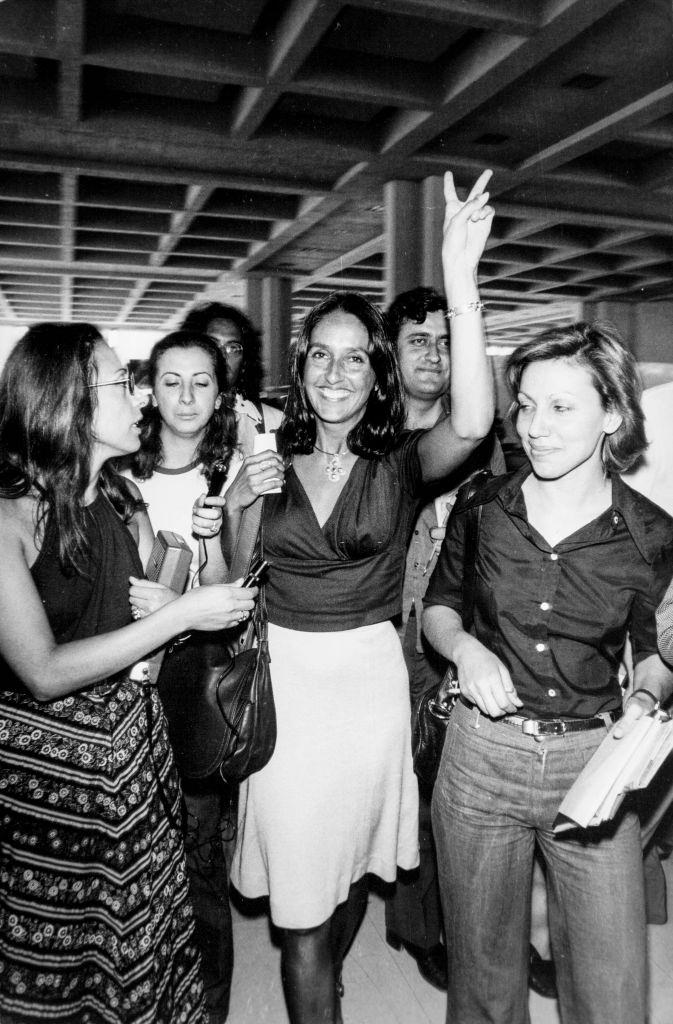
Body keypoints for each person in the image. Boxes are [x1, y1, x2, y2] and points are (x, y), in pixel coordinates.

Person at [213, 169, 496, 1024]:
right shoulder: (263, 455)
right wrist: (238, 500)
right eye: (320, 356)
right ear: (300, 368)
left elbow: (477, 423)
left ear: (377, 376)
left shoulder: (400, 462)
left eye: (354, 359)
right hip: (288, 686)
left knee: (337, 883)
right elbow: (233, 581)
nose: (337, 373)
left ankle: (327, 977)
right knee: (300, 915)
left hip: (370, 687)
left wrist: (460, 277)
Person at [0, 323, 256, 1024]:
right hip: (53, 785)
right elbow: (44, 671)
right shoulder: (9, 518)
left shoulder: (115, 498)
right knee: (57, 956)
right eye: (122, 381)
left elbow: (136, 634)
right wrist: (178, 617)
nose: (140, 396)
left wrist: (183, 592)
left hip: (134, 763)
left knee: (140, 940)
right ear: (70, 404)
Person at [423, 321, 673, 1024]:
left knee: (612, 985)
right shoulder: (482, 507)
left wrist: (647, 696)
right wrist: (467, 653)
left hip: (591, 763)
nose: (534, 427)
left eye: (560, 407)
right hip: (480, 760)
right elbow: (438, 610)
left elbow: (653, 652)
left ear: (613, 416)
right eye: (526, 405)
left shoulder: (652, 536)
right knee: (481, 974)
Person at [383, 286, 505, 991]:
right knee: (407, 790)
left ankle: (465, 929)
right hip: (386, 641)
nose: (433, 353)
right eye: (416, 341)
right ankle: (419, 924)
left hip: (460, 637)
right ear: (391, 354)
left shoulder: (486, 442)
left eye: (444, 340)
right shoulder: (370, 439)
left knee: (457, 788)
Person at [121, 330, 240, 1022]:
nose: (187, 396)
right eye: (172, 381)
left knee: (198, 856)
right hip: (126, 677)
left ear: (219, 393)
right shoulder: (116, 471)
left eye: (202, 382)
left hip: (194, 677)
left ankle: (209, 1006)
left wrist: (207, 543)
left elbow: (227, 604)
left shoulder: (233, 475)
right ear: (149, 390)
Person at [180, 302, 283, 457]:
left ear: (244, 362)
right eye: (212, 344)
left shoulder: (275, 423)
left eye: (233, 348)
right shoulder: (174, 419)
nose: (222, 356)